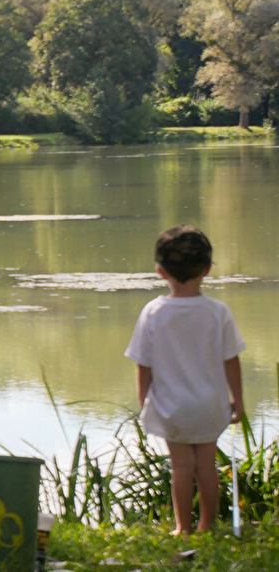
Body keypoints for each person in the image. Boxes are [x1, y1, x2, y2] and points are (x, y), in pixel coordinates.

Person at [125, 226, 246, 536]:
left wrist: (144, 401)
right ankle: (208, 525)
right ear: (206, 269)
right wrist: (238, 399)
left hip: (172, 407)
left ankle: (183, 528)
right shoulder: (218, 312)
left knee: (181, 467)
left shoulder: (153, 312)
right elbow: (231, 360)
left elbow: (143, 365)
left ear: (161, 271)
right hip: (210, 405)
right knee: (206, 466)